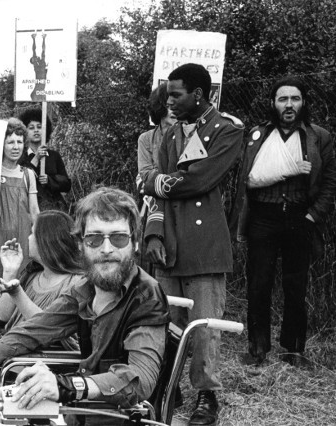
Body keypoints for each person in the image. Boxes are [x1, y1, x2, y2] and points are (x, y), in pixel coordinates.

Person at [0, 187, 170, 426]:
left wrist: (66, 385)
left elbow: (141, 379)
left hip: (111, 418)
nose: (106, 249)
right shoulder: (86, 288)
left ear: (135, 244)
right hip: (75, 412)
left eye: (118, 238)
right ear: (81, 245)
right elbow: (30, 331)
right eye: (94, 239)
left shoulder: (147, 295)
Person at [139, 63, 244, 426]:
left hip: (205, 245)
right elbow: (154, 192)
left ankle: (206, 395)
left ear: (197, 95)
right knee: (165, 322)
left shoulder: (227, 131)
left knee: (204, 327)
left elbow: (199, 180)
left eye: (176, 94)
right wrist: (153, 234)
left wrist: (156, 181)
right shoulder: (169, 136)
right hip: (169, 244)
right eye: (168, 94)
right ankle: (165, 385)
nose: (169, 100)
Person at [231, 76, 336, 367]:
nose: (289, 105)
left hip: (300, 217)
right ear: (273, 104)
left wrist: (313, 215)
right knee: (258, 284)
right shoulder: (258, 135)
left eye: (295, 98)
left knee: (296, 286)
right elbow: (247, 179)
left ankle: (293, 349)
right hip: (263, 216)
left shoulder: (318, 137)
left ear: (303, 102)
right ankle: (257, 348)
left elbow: (329, 183)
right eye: (282, 99)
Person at [0, 210, 85, 367]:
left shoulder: (75, 283)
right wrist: (10, 270)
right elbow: (5, 316)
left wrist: (18, 293)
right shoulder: (33, 275)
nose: (28, 237)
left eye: (32, 233)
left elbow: (49, 327)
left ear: (46, 241)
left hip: (37, 361)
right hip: (8, 350)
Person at [0, 118, 39, 318]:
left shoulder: (28, 174)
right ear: (1, 144)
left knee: (18, 284)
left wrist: (39, 239)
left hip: (21, 239)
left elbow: (34, 211)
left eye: (19, 142)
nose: (16, 147)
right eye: (10, 142)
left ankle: (16, 329)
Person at [138, 83, 176, 273]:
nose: (173, 111)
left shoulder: (189, 136)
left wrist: (158, 178)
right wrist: (166, 179)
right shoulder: (146, 139)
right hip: (153, 203)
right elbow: (145, 175)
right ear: (159, 108)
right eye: (168, 106)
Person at [18, 108, 71, 212]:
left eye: (39, 127)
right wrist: (36, 158)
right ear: (25, 132)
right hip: (30, 207)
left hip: (54, 207)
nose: (36, 130)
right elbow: (22, 179)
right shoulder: (20, 156)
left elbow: (67, 184)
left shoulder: (54, 156)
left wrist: (50, 180)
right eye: (31, 128)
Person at [30, 32, 48, 101]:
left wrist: (43, 39)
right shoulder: (36, 65)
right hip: (40, 88)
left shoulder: (42, 63)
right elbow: (34, 50)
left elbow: (43, 50)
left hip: (40, 88)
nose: (35, 57)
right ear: (33, 61)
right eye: (33, 59)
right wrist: (34, 39)